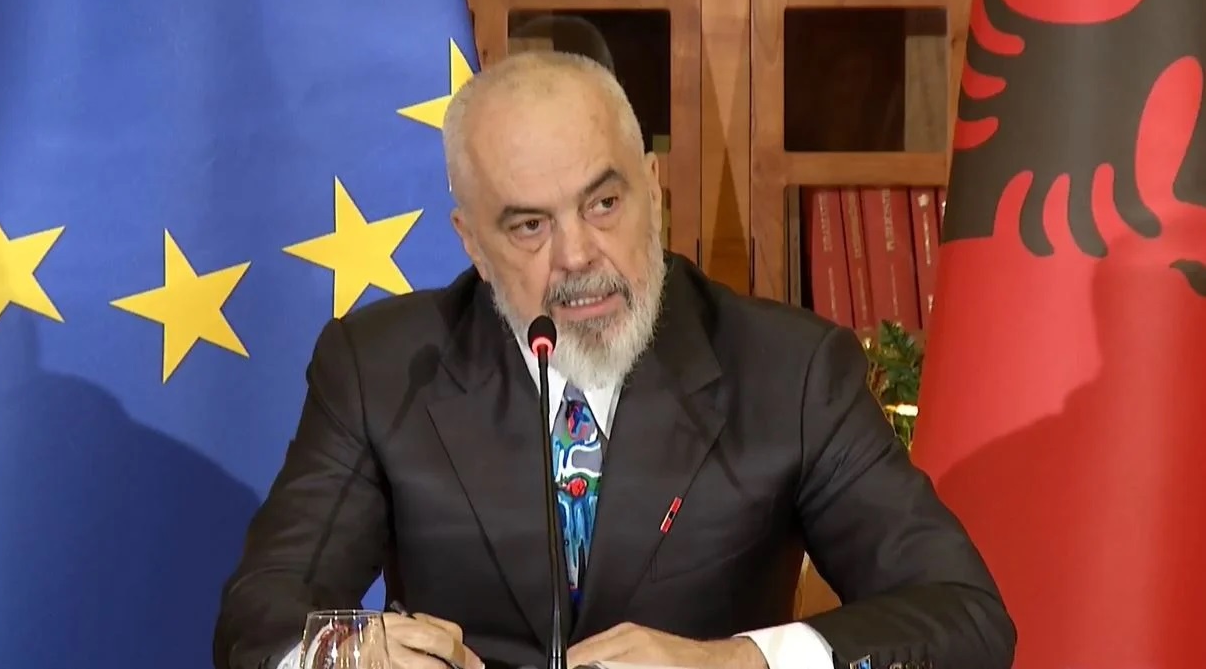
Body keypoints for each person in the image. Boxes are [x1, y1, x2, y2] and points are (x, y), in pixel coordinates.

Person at [212, 50, 1016, 669]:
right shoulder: (384, 367)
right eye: (529, 226)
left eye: (603, 203)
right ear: (473, 244)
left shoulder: (792, 372)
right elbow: (258, 619)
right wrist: (354, 654)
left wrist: (738, 661)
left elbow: (965, 618)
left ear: (653, 190)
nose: (578, 256)